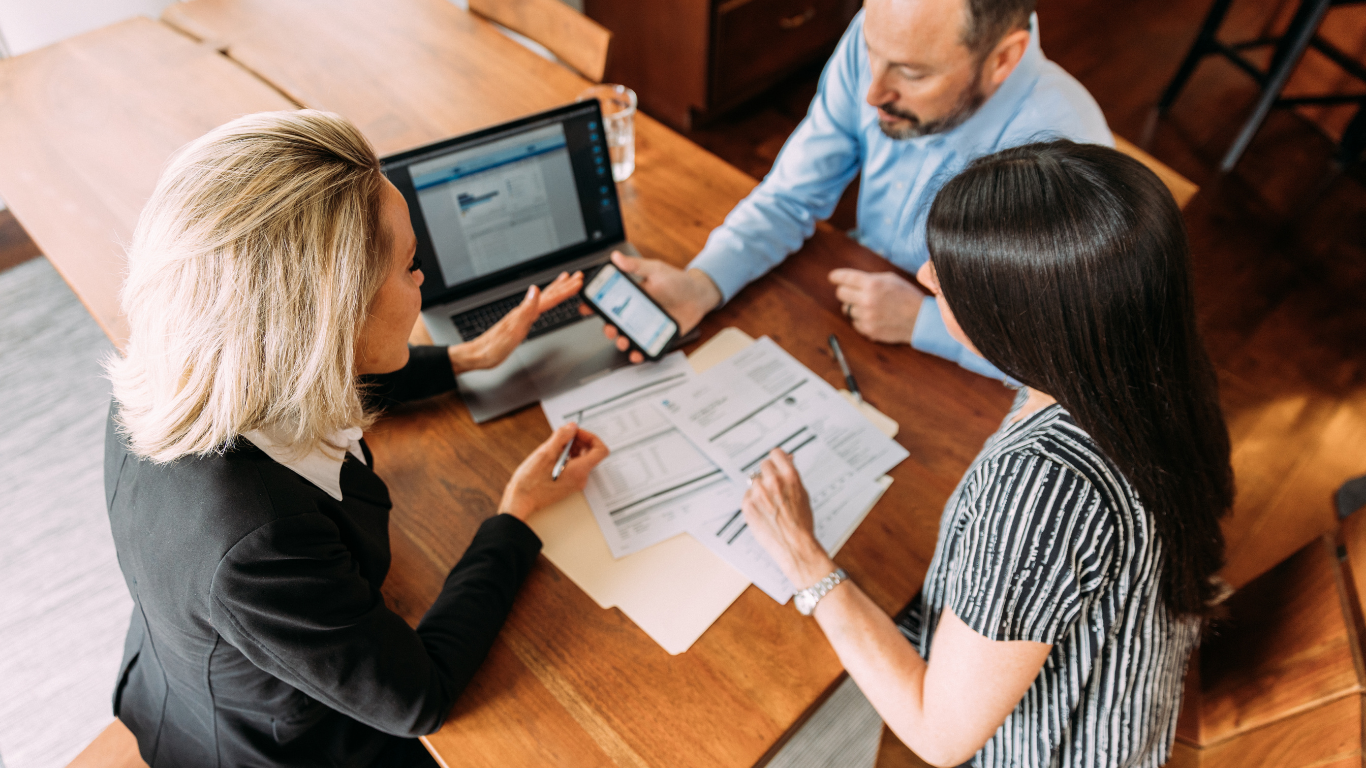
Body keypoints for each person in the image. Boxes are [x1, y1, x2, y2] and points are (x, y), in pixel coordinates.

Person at [103, 110, 609, 767]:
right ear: (328, 321)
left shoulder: (172, 365)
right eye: (409, 267)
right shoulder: (263, 543)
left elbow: (303, 373)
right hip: (279, 744)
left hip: (181, 670)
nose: (422, 280)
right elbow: (418, 699)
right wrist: (514, 517)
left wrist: (465, 359)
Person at [741, 141, 1234, 767]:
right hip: (1126, 689)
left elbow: (939, 734)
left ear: (1020, 325)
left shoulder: (1043, 493)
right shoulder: (1145, 362)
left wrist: (803, 558)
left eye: (948, 280)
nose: (923, 276)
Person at [591, 0, 1111, 379]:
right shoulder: (882, 39)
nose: (872, 92)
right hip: (852, 318)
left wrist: (923, 322)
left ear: (1003, 59)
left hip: (971, 380)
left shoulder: (1069, 153)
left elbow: (1070, 354)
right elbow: (793, 195)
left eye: (910, 72)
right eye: (870, 51)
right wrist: (703, 283)